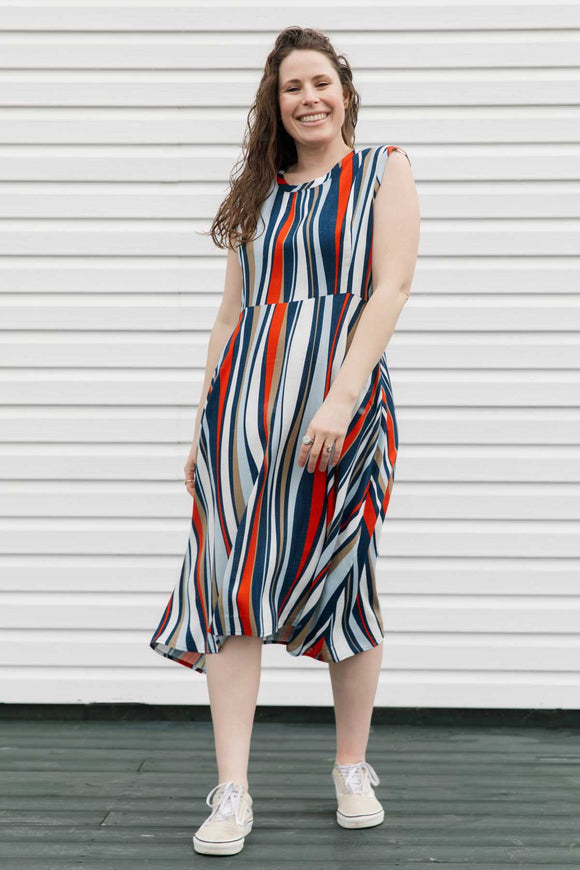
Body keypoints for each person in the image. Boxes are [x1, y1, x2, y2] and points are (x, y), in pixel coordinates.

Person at [149, 25, 420, 857]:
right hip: (246, 408)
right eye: (290, 87)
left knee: (346, 571)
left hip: (339, 406)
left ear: (344, 88)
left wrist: (340, 397)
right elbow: (232, 317)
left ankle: (350, 767)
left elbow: (391, 286)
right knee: (232, 578)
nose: (308, 98)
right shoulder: (258, 194)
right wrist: (203, 422)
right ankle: (232, 790)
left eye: (319, 82)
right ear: (275, 104)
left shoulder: (383, 170)